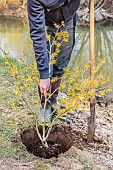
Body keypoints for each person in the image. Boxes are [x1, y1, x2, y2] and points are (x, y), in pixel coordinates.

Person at [27, 0, 80, 124]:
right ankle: (44, 104)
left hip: (68, 18)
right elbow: (38, 35)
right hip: (46, 23)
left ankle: (53, 100)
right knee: (47, 61)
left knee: (61, 62)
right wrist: (44, 74)